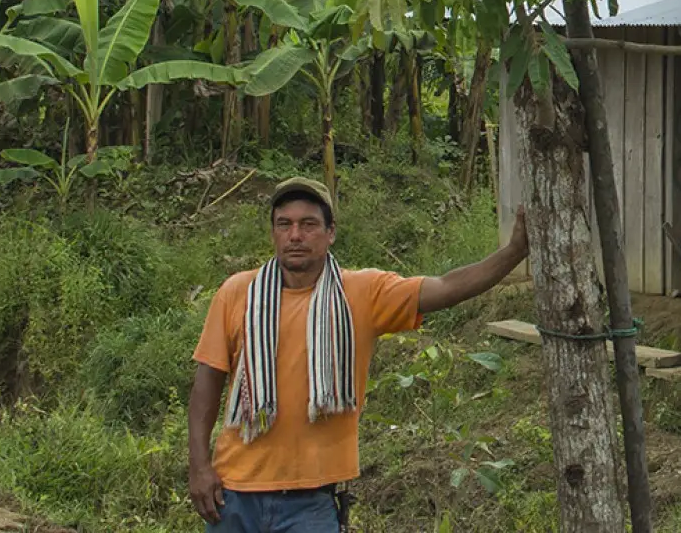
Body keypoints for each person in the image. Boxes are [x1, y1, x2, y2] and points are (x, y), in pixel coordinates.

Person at [187, 176, 529, 532]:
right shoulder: (237, 292)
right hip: (234, 496)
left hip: (311, 502)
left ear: (331, 232)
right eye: (284, 224)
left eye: (308, 224)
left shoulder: (363, 292)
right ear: (273, 232)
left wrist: (514, 253)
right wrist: (199, 467)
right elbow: (206, 384)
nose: (295, 235)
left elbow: (446, 287)